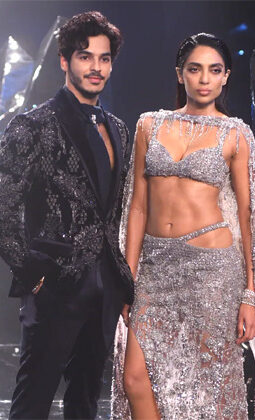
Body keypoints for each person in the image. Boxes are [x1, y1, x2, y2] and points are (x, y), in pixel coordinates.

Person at [109, 33, 255, 419]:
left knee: (211, 381)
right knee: (135, 378)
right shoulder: (149, 125)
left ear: (226, 77)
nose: (204, 79)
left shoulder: (235, 133)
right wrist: (126, 279)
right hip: (154, 268)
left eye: (214, 70)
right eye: (195, 69)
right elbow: (136, 207)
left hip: (213, 268)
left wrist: (250, 294)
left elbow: (248, 216)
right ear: (180, 74)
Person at [0, 11, 132, 419]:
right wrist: (32, 272)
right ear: (64, 60)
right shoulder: (33, 126)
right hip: (54, 284)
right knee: (34, 400)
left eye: (104, 58)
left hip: (106, 286)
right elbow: (3, 204)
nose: (96, 67)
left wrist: (120, 278)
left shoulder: (119, 129)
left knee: (86, 401)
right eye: (85, 56)